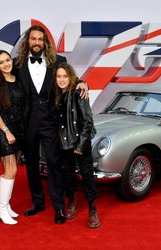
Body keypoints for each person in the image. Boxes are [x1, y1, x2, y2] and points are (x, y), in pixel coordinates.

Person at [13, 25, 88, 224]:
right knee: (31, 165)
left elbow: (71, 78)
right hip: (28, 122)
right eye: (33, 39)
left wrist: (83, 83)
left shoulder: (59, 61)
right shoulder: (16, 64)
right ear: (27, 42)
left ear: (45, 42)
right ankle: (37, 202)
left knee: (54, 164)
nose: (36, 42)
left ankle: (58, 207)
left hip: (51, 121)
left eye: (40, 39)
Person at [54, 62, 100, 228]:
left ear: (71, 77)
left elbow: (88, 122)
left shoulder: (79, 92)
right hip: (64, 144)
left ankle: (93, 209)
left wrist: (80, 146)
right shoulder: (57, 95)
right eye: (59, 76)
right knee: (68, 175)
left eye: (65, 76)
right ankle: (72, 202)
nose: (61, 79)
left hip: (80, 143)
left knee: (87, 175)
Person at [0, 50, 25, 225]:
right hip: (3, 132)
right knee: (11, 170)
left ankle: (5, 206)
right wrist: (6, 131)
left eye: (7, 60)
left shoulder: (17, 80)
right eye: (1, 62)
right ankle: (1, 209)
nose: (6, 64)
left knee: (13, 169)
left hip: (18, 131)